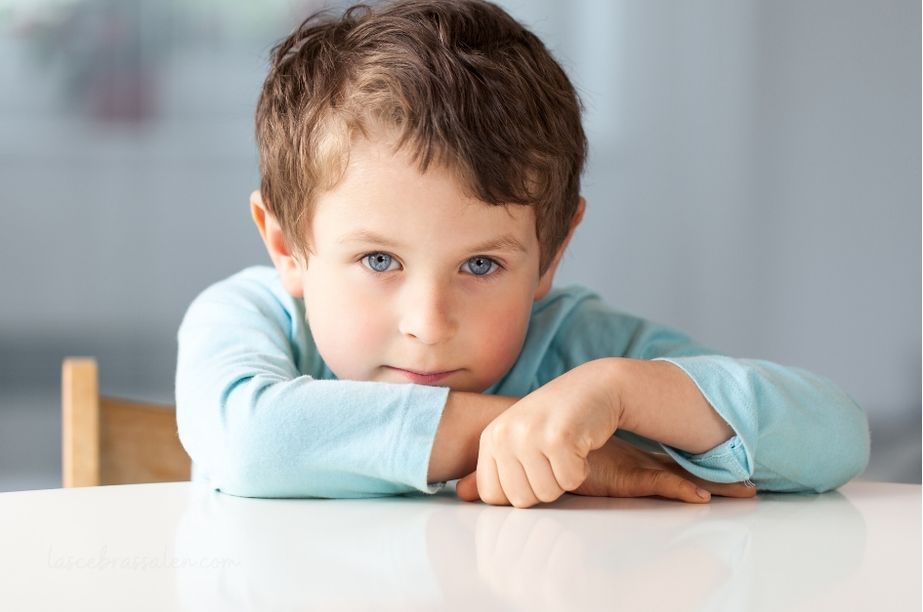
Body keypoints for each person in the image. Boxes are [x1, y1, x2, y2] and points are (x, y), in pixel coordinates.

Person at [175, 0, 870, 508]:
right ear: (286, 244)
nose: (429, 323)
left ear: (551, 252)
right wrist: (540, 438)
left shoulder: (576, 354)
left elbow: (834, 435)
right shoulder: (250, 318)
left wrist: (622, 394)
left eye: (480, 265)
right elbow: (250, 442)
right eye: (379, 261)